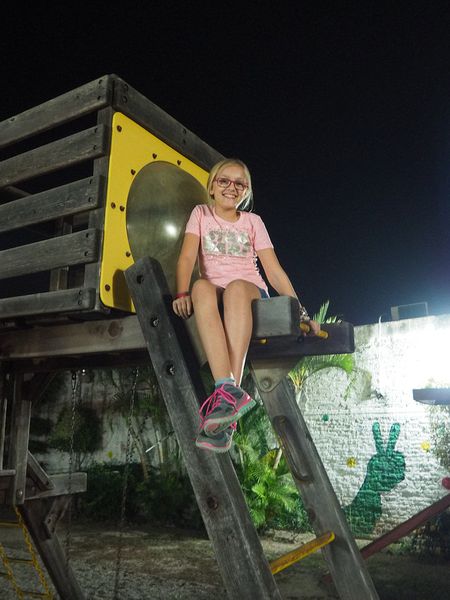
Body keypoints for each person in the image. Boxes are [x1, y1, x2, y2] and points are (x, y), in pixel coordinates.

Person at [172, 158, 320, 453]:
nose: (231, 187)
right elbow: (187, 258)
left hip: (249, 291)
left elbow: (274, 270)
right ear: (212, 185)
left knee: (238, 288)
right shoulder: (201, 214)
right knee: (201, 286)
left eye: (240, 183)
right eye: (224, 181)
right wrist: (181, 292)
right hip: (214, 290)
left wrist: (300, 311)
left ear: (246, 191)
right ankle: (227, 391)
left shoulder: (253, 222)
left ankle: (227, 400)